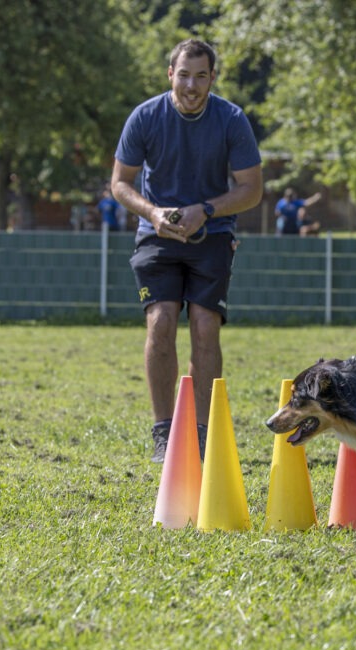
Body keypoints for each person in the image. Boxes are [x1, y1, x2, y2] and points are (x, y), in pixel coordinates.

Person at [111, 38, 263, 463]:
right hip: (156, 234)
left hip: (212, 235)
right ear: (170, 75)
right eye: (184, 75)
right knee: (160, 324)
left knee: (204, 327)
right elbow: (120, 184)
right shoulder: (144, 117)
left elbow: (251, 190)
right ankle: (164, 433)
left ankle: (200, 433)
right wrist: (154, 214)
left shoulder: (231, 120)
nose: (191, 85)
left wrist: (207, 210)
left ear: (213, 78)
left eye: (201, 76)